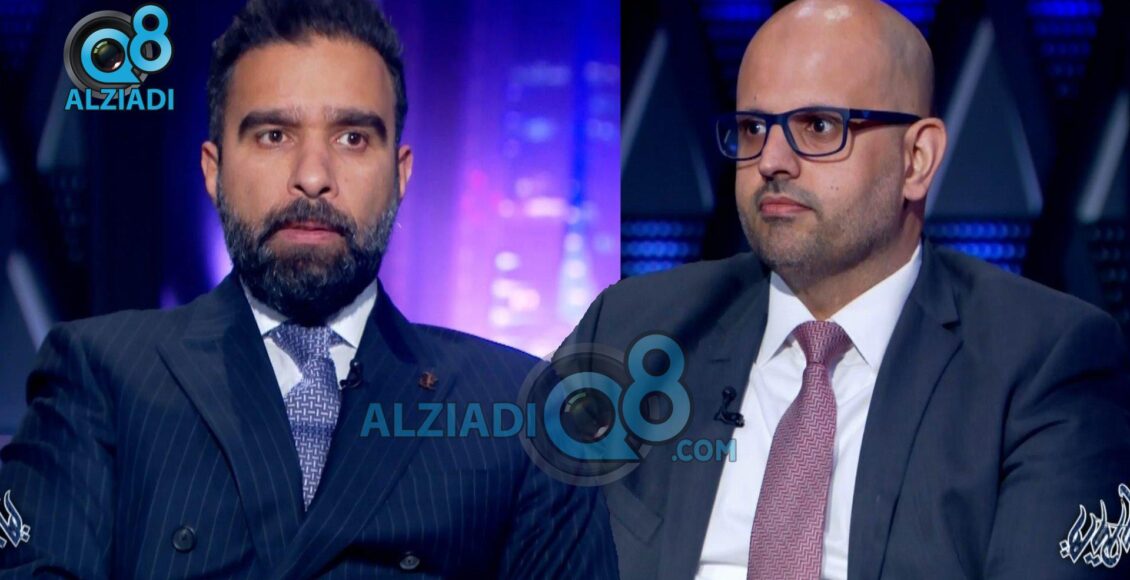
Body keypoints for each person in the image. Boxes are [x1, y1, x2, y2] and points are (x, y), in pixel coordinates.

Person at [0, 0, 618, 577]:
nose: (313, 176)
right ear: (214, 171)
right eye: (274, 135)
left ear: (400, 174)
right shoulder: (102, 374)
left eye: (353, 138)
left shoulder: (524, 413)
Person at [562, 0, 1130, 578]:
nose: (771, 161)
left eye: (818, 126)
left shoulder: (1043, 360)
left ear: (917, 159)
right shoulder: (635, 328)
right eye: (753, 128)